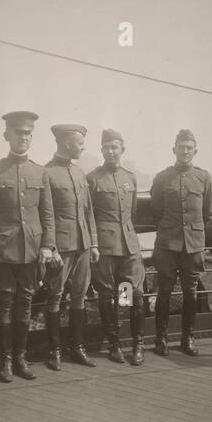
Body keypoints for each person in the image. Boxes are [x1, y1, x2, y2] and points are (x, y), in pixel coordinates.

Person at [0, 111, 58, 382]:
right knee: (4, 302)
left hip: (32, 249)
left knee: (25, 301)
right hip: (3, 249)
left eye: (27, 134)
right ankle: (4, 360)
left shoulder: (40, 172)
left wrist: (48, 246)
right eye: (18, 134)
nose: (23, 138)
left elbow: (47, 213)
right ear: (7, 136)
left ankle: (21, 357)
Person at [148, 128, 212, 356]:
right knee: (164, 292)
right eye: (181, 147)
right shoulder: (162, 177)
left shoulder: (204, 178)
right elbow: (156, 208)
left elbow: (209, 211)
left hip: (193, 245)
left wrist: (192, 231)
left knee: (191, 293)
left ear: (194, 151)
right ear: (174, 149)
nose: (185, 151)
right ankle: (161, 339)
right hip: (167, 244)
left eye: (189, 148)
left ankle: (188, 338)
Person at [41, 123, 99, 370]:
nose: (83, 148)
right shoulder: (47, 173)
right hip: (61, 248)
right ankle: (54, 351)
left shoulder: (79, 173)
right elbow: (45, 215)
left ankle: (78, 348)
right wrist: (51, 247)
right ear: (66, 144)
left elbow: (89, 212)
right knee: (54, 297)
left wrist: (94, 243)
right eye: (80, 144)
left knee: (79, 297)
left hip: (83, 245)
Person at [86, 129, 146, 365]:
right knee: (107, 294)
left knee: (132, 294)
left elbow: (132, 213)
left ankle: (137, 344)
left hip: (129, 248)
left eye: (114, 147)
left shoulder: (129, 178)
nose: (110, 151)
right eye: (106, 148)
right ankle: (114, 344)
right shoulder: (93, 179)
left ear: (122, 149)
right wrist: (94, 243)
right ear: (101, 151)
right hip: (106, 248)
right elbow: (89, 214)